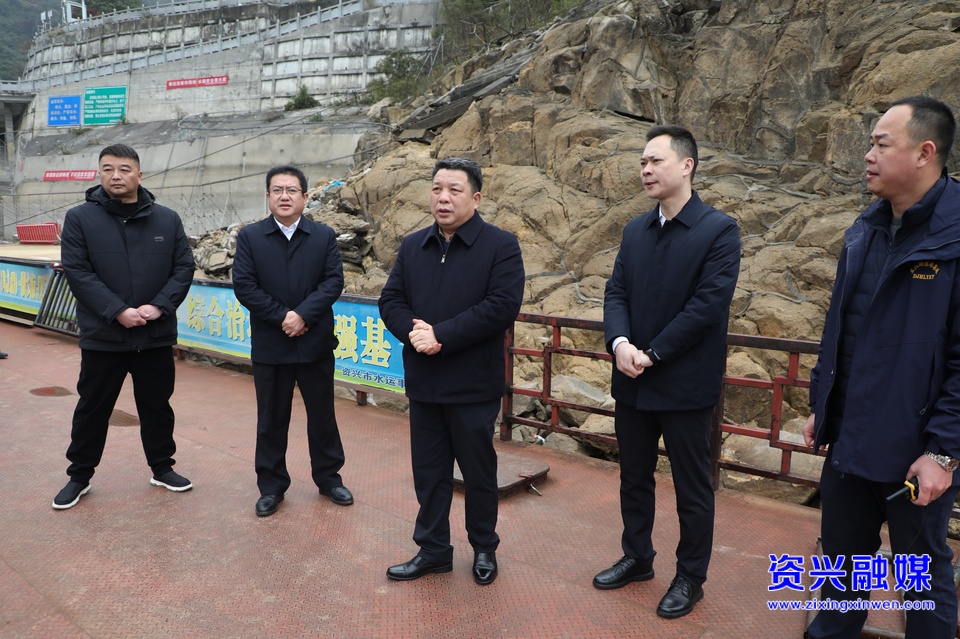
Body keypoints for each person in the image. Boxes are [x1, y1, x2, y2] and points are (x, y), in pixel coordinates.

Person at [802, 96, 960, 639]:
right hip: (850, 441)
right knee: (840, 569)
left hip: (916, 454)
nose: (867, 155)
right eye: (870, 143)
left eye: (880, 144)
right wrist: (821, 404)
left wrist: (942, 452)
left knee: (922, 578)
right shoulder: (865, 229)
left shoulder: (954, 238)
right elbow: (839, 327)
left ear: (925, 153)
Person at [597, 125, 741, 618]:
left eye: (655, 160)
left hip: (684, 383)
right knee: (633, 477)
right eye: (642, 162)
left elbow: (707, 306)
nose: (646, 169)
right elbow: (616, 292)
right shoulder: (635, 230)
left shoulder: (718, 230)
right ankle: (637, 557)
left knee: (691, 487)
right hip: (632, 379)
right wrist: (619, 343)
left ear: (686, 165)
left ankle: (690, 576)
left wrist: (653, 353)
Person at [378, 157, 524, 585]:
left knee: (478, 472)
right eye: (437, 189)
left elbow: (501, 306)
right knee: (429, 472)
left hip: (472, 383)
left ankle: (484, 547)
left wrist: (441, 334)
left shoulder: (500, 245)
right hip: (424, 381)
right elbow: (390, 300)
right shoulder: (413, 246)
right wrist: (415, 333)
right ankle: (434, 550)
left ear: (475, 198)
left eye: (454, 190)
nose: (443, 198)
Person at [54, 143, 195, 510]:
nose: (115, 175)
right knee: (93, 407)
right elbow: (78, 271)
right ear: (99, 173)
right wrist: (116, 310)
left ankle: (162, 468)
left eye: (124, 169)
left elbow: (184, 268)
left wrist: (159, 306)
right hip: (104, 336)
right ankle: (79, 475)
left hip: (153, 335)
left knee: (157, 406)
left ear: (139, 174)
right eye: (108, 169)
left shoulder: (167, 219)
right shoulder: (80, 218)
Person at [232, 165, 352, 517]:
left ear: (305, 196)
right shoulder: (251, 237)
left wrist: (303, 315)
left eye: (292, 190)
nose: (284, 197)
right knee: (271, 419)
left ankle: (329, 478)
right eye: (277, 190)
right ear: (268, 196)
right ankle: (271, 486)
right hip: (272, 345)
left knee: (323, 416)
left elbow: (333, 281)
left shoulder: (323, 236)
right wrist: (283, 316)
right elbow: (245, 286)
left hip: (315, 343)